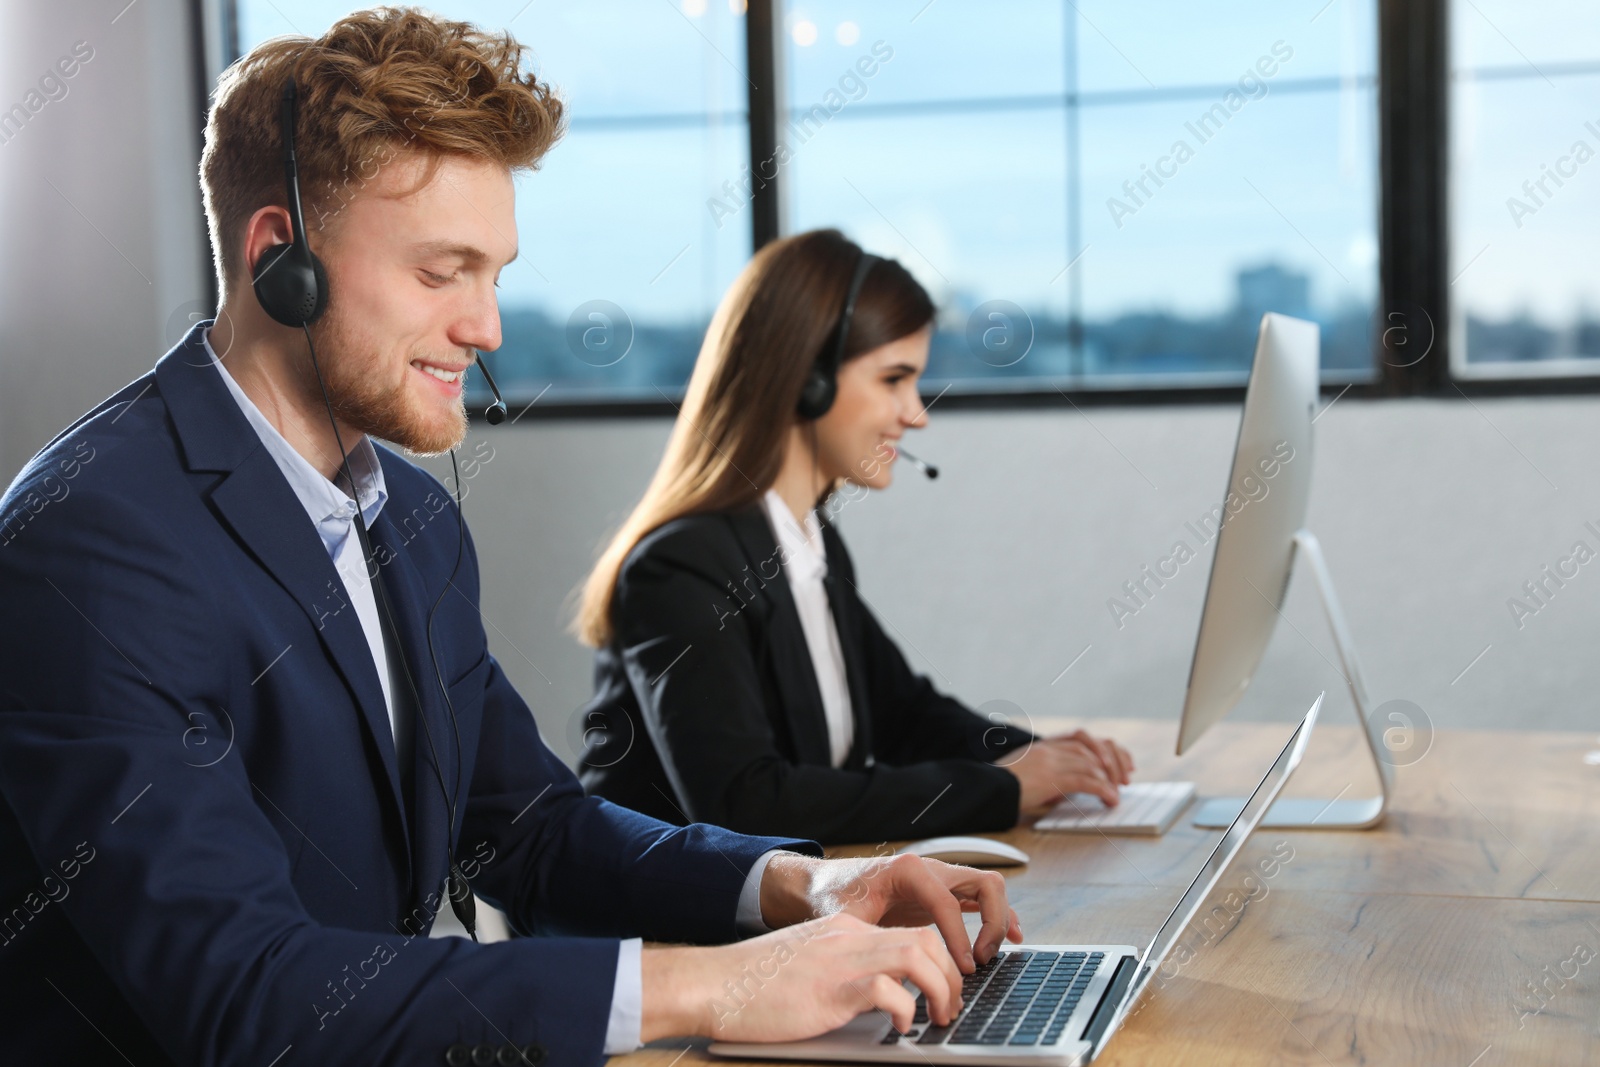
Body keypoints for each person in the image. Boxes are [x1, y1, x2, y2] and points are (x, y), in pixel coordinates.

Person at [0, 12, 1024, 1066]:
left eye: (494, 273)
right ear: (279, 259)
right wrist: (711, 984)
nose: (487, 327)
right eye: (442, 273)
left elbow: (528, 826)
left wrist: (807, 884)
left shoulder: (413, 515)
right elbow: (244, 989)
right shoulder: (91, 538)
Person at [574, 229, 1135, 845]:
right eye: (893, 379)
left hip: (783, 915)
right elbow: (746, 805)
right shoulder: (682, 567)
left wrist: (1040, 760)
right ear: (806, 376)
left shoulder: (808, 542)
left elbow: (905, 713)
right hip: (666, 934)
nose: (915, 413)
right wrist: (1002, 789)